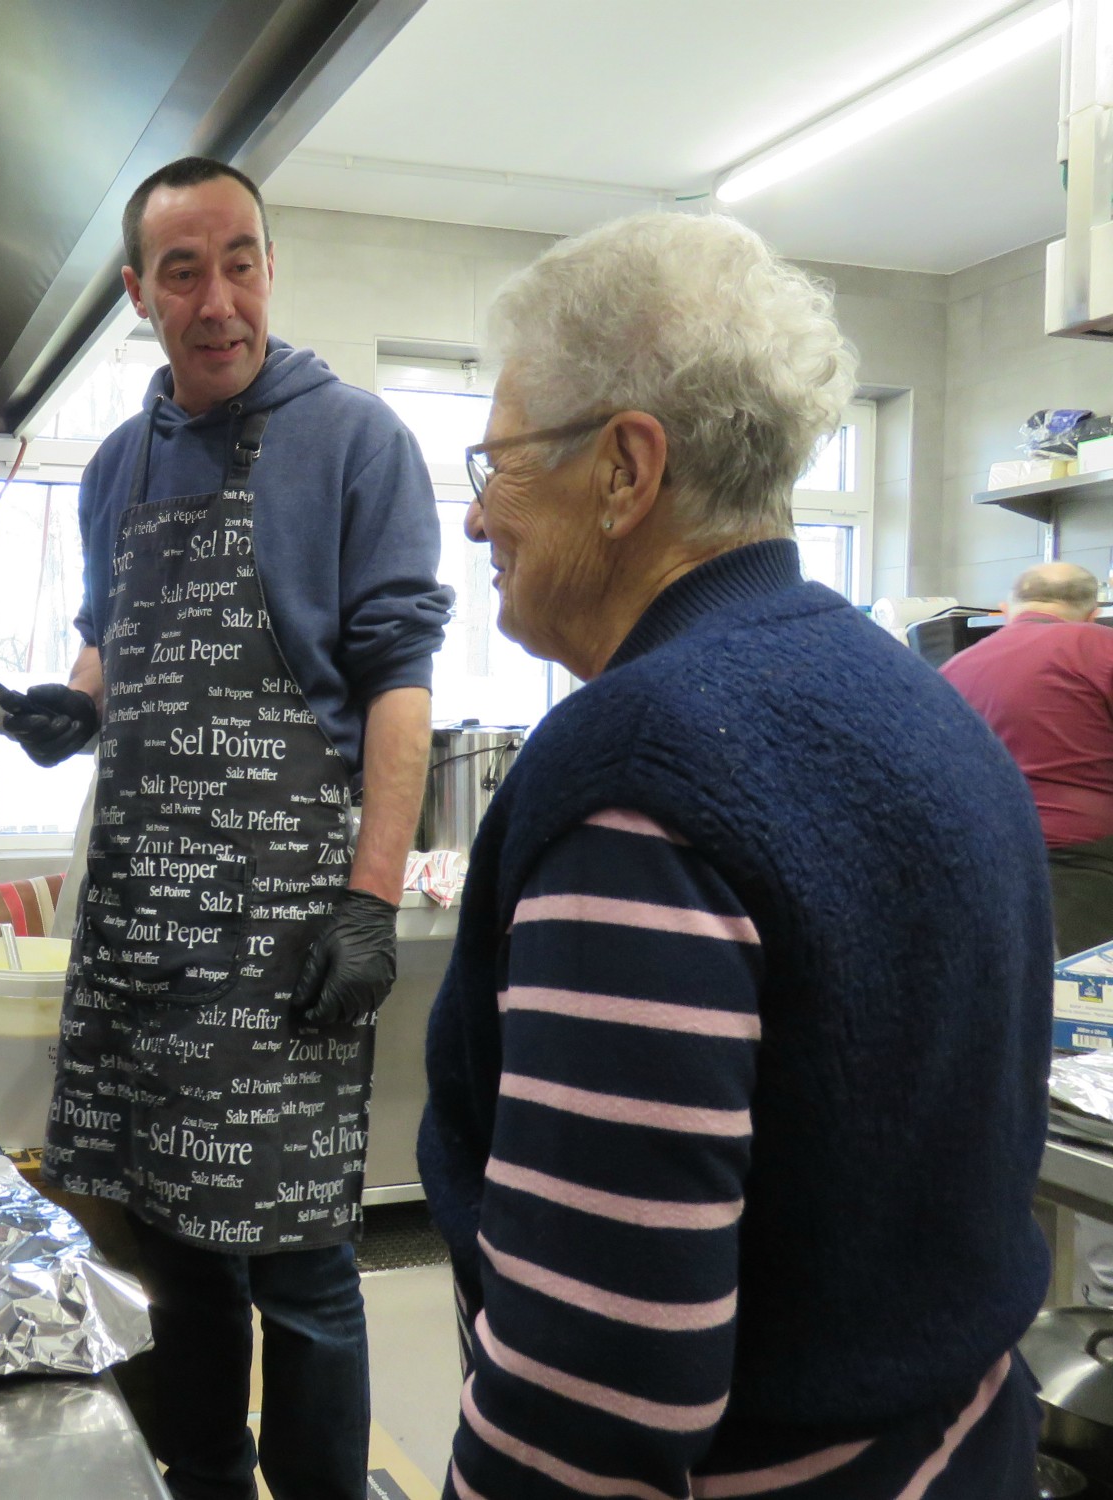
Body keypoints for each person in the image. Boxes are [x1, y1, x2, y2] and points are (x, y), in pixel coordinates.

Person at [419, 213, 1051, 1499]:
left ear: (623, 469)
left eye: (495, 465)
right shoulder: (925, 707)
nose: (477, 518)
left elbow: (593, 1394)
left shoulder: (637, 772)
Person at [0, 155, 451, 1500]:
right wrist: (67, 708)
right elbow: (115, 649)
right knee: (178, 1251)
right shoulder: (117, 466)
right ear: (137, 293)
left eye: (242, 261)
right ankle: (206, 1478)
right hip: (144, 927)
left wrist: (370, 900)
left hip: (282, 933)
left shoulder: (358, 441)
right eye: (183, 269)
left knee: (303, 1268)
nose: (219, 299)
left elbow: (400, 681)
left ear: (269, 266)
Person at [940, 561, 1113, 956]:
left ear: (1005, 609)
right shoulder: (1100, 647)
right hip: (1083, 863)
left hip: (983, 857)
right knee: (1080, 1001)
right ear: (1095, 613)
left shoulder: (954, 666)